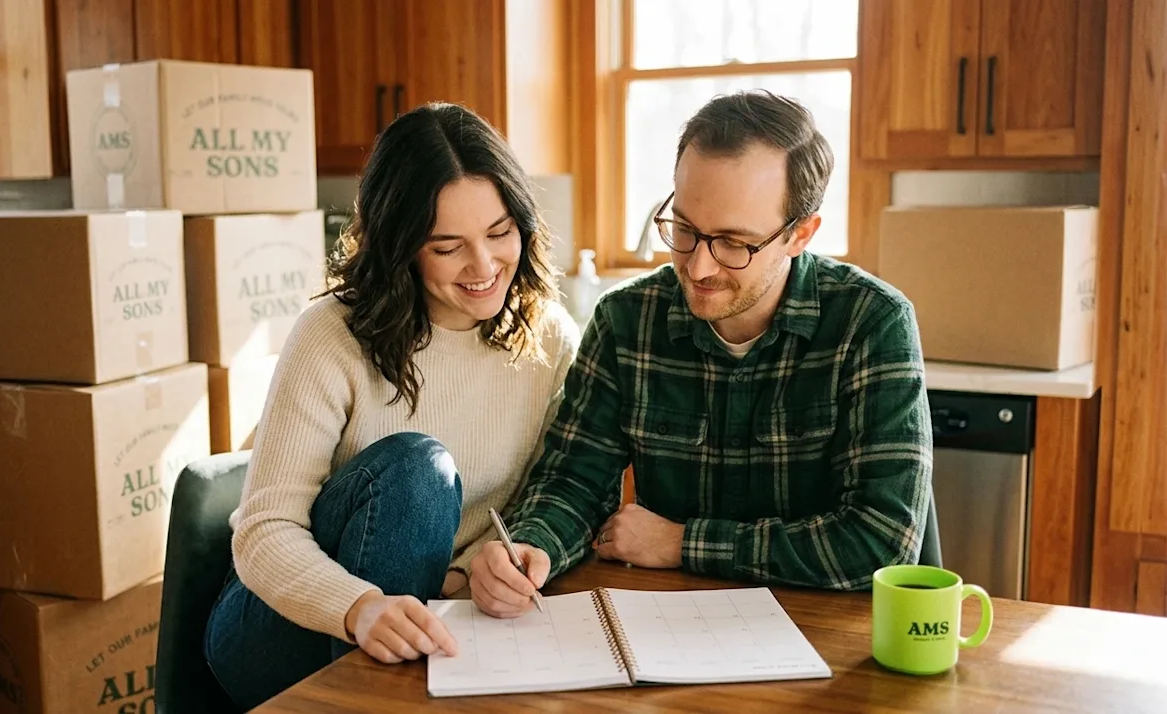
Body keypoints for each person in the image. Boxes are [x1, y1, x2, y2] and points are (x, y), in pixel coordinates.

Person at [468, 89, 933, 618]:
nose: (698, 268)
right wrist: (533, 546)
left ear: (800, 233)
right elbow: (572, 482)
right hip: (667, 628)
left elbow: (881, 541)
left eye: (734, 243)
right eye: (684, 230)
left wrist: (682, 544)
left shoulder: (871, 323)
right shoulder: (625, 321)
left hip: (824, 634)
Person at [203, 102, 580, 709]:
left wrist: (497, 567)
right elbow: (263, 534)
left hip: (437, 623)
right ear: (401, 246)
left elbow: (556, 493)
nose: (484, 267)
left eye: (500, 232)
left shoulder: (549, 337)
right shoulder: (331, 334)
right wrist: (358, 607)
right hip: (285, 625)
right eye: (446, 246)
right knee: (417, 468)